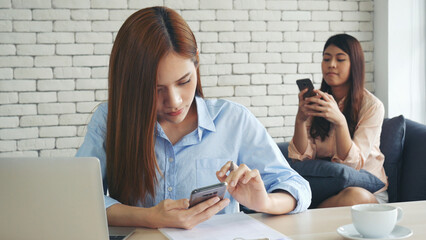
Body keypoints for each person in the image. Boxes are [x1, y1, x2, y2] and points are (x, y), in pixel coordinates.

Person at [76, 6, 311, 229]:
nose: (175, 101)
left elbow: (298, 187)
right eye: (156, 89)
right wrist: (150, 217)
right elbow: (79, 200)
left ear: (196, 60)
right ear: (130, 84)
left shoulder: (232, 119)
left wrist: (265, 203)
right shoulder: (109, 120)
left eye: (184, 81)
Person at [288, 33, 387, 208]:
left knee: (355, 196)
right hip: (327, 189)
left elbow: (352, 165)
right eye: (326, 59)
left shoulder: (372, 106)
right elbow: (301, 157)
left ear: (354, 64)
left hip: (365, 192)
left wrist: (340, 121)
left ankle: (304, 217)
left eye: (340, 59)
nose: (331, 65)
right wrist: (300, 120)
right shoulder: (318, 100)